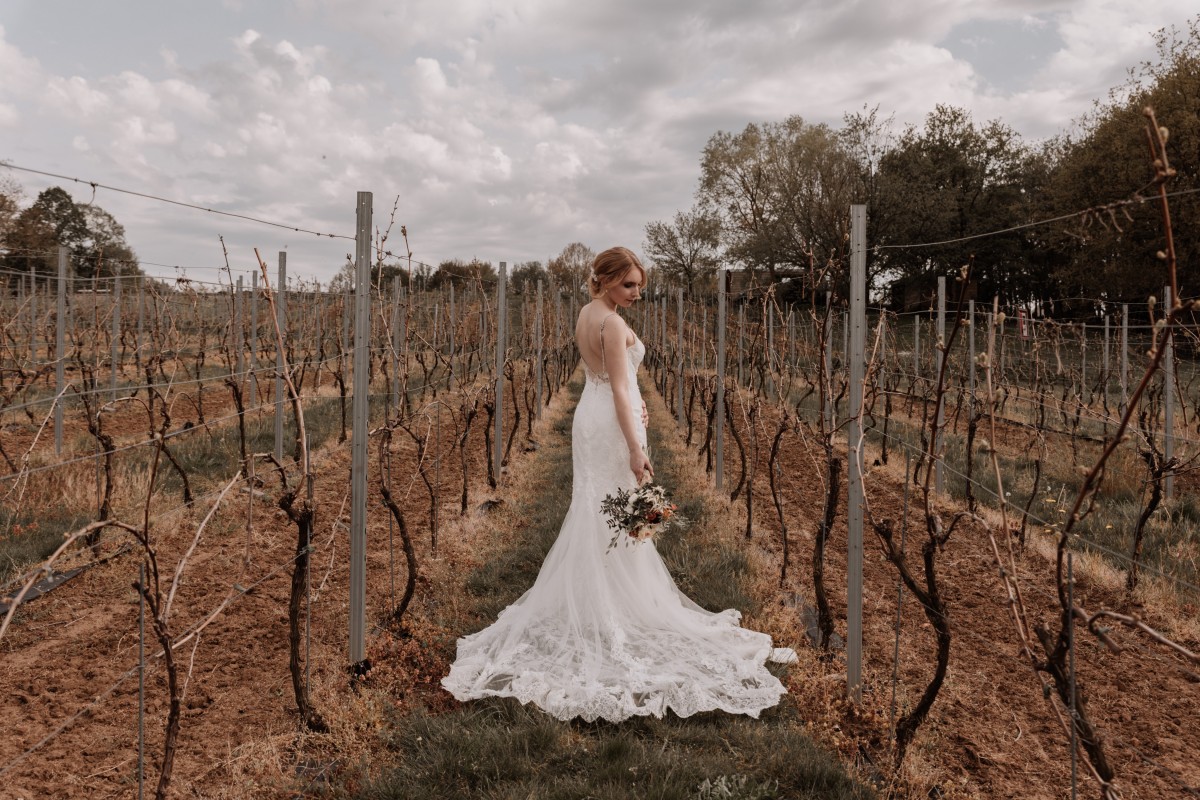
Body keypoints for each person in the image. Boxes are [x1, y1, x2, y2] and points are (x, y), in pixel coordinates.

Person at [442, 246, 795, 722]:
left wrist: (632, 417)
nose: (636, 293)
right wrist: (635, 445)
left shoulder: (589, 312)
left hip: (595, 415)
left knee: (602, 510)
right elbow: (622, 388)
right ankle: (611, 607)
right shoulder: (609, 323)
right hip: (610, 423)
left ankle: (603, 597)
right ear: (606, 279)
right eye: (628, 284)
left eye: (640, 286)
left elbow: (606, 380)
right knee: (617, 511)